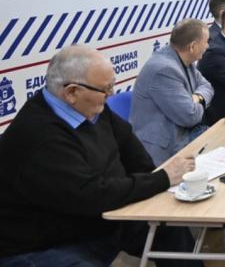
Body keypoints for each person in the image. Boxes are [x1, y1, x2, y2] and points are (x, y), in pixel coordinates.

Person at [0, 45, 200, 266]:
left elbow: (134, 155)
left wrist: (158, 183)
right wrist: (162, 179)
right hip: (44, 243)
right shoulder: (40, 135)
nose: (111, 94)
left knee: (169, 227)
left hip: (99, 218)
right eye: (106, 89)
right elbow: (90, 195)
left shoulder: (91, 108)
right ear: (72, 92)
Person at [131, 19, 213, 166]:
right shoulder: (164, 70)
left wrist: (197, 97)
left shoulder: (183, 59)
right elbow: (190, 116)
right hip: (162, 152)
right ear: (193, 46)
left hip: (184, 135)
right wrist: (198, 103)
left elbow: (207, 86)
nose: (208, 46)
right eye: (206, 42)